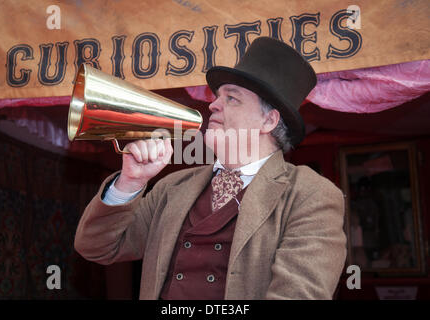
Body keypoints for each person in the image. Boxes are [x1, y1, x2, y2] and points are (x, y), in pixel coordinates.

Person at [74, 37, 347, 300]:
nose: (212, 104)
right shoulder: (173, 186)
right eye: (218, 97)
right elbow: (97, 248)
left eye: (232, 98)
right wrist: (129, 183)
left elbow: (298, 294)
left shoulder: (310, 194)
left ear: (268, 120)